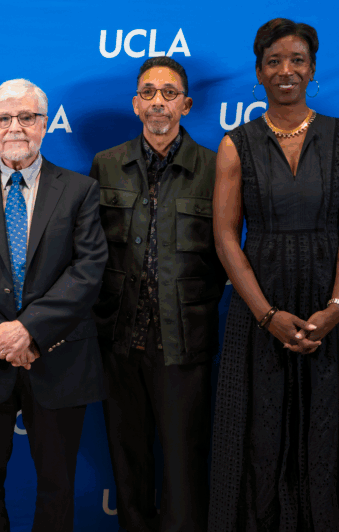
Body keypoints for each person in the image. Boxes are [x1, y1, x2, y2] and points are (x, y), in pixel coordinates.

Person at [208, 18, 339, 531]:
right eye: (273, 61)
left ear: (313, 69)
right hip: (260, 306)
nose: (286, 70)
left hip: (327, 304)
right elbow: (226, 236)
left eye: (297, 60)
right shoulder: (236, 144)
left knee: (325, 430)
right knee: (260, 433)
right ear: (258, 72)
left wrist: (337, 307)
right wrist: (266, 315)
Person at [0, 78, 107, 532]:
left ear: (45, 124)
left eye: (26, 117)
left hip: (58, 357)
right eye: (4, 118)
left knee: (57, 488)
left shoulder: (80, 190)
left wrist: (28, 330)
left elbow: (88, 269)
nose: (15, 127)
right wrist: (0, 339)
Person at [89, 56, 225, 532]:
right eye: (148, 92)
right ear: (135, 104)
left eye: (169, 93)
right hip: (119, 340)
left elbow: (227, 254)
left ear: (186, 104)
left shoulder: (215, 167)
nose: (158, 102)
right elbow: (92, 253)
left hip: (184, 342)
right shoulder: (106, 164)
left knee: (185, 466)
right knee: (128, 465)